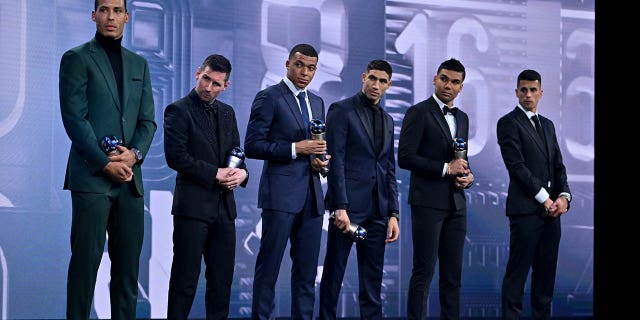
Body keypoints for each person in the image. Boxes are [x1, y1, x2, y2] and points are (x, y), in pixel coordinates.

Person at [58, 0, 157, 318]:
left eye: (117, 10)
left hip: (130, 183)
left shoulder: (139, 64)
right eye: (104, 10)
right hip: (91, 178)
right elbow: (74, 118)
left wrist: (134, 155)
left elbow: (147, 122)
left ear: (127, 17)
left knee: (128, 276)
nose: (110, 16)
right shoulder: (75, 58)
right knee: (84, 271)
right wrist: (105, 163)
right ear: (93, 15)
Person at [245, 43, 329, 320]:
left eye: (311, 67)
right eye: (299, 65)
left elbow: (316, 148)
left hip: (313, 198)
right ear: (287, 64)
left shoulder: (317, 102)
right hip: (280, 196)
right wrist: (296, 149)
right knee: (268, 269)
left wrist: (319, 162)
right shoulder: (269, 97)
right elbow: (253, 146)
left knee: (306, 275)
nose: (305, 72)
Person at [163, 54, 249, 320]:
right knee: (184, 282)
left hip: (224, 210)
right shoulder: (178, 110)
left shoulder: (228, 113)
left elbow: (237, 152)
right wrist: (215, 173)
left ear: (226, 86)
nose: (208, 87)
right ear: (198, 73)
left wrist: (243, 175)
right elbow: (176, 157)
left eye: (216, 84)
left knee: (221, 284)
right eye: (206, 79)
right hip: (192, 209)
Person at [319, 59, 400, 320]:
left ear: (389, 85)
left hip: (378, 211)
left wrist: (393, 213)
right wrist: (339, 206)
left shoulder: (388, 120)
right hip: (348, 210)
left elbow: (388, 168)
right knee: (333, 276)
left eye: (383, 81)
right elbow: (336, 160)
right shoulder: (341, 110)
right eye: (373, 78)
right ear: (364, 77)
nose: (376, 85)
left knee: (372, 283)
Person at [398, 57, 474, 320]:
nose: (448, 85)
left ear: (461, 87)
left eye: (455, 82)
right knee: (423, 271)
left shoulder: (463, 117)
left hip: (457, 204)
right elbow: (405, 157)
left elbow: (462, 160)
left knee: (453, 276)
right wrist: (445, 168)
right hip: (427, 203)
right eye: (444, 79)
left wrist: (468, 176)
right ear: (435, 79)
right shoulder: (418, 112)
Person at [497, 69, 572, 319]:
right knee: (517, 277)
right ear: (516, 92)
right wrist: (546, 198)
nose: (528, 94)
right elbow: (517, 168)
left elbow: (558, 166)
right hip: (526, 211)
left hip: (552, 215)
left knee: (545, 278)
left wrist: (563, 198)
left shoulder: (548, 125)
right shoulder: (507, 123)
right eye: (523, 90)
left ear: (541, 93)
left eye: (532, 90)